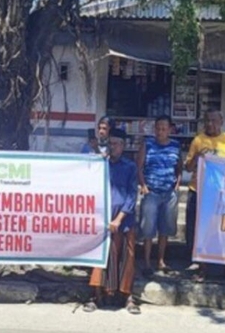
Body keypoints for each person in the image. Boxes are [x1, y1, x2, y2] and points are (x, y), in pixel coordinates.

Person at [84, 128, 140, 314]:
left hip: (124, 221)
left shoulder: (130, 167)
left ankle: (127, 298)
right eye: (111, 143)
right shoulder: (101, 165)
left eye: (116, 144)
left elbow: (132, 195)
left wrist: (119, 218)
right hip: (103, 221)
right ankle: (96, 297)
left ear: (123, 146)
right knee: (101, 259)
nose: (113, 147)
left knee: (127, 258)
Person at [184, 109, 225, 283]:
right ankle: (202, 269)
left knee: (224, 231)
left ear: (221, 121)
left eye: (214, 121)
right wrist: (198, 158)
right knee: (200, 231)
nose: (210, 124)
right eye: (207, 121)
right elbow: (187, 167)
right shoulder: (198, 140)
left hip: (221, 193)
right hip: (199, 191)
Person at [137, 115, 182, 276]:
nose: (160, 131)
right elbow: (139, 167)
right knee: (148, 229)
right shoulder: (147, 144)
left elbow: (179, 168)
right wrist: (143, 186)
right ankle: (147, 262)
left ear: (170, 129)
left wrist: (177, 186)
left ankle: (161, 261)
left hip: (169, 193)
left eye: (164, 128)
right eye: (158, 128)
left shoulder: (176, 146)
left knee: (165, 228)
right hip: (152, 192)